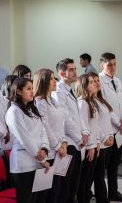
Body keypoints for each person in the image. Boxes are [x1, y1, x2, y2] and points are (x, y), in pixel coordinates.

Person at [5, 77, 50, 203]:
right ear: (18, 91)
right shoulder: (14, 111)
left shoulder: (31, 108)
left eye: (32, 88)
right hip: (23, 163)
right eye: (28, 89)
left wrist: (45, 148)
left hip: (37, 159)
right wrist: (42, 158)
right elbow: (25, 138)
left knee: (36, 199)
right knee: (26, 199)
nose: (32, 92)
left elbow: (42, 130)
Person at [51, 58, 88, 203]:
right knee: (65, 186)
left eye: (75, 69)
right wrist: (79, 138)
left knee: (74, 184)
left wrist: (85, 132)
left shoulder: (70, 90)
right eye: (71, 70)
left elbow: (78, 115)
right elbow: (65, 119)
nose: (75, 72)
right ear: (61, 73)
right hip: (68, 144)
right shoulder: (59, 91)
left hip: (76, 142)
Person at [98, 52, 122, 202]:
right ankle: (100, 195)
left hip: (120, 130)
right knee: (102, 167)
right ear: (102, 65)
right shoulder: (98, 80)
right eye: (109, 64)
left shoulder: (117, 80)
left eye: (114, 64)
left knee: (114, 164)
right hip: (108, 129)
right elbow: (105, 104)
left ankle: (113, 192)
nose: (112, 67)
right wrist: (118, 122)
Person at [34, 68, 67, 203]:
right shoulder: (40, 101)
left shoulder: (53, 99)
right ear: (44, 81)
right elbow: (45, 127)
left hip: (60, 149)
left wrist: (64, 142)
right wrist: (58, 146)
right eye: (52, 79)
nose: (55, 81)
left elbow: (61, 123)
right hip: (50, 151)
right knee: (47, 192)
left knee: (57, 189)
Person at [75, 74, 101, 203]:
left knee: (89, 178)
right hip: (87, 147)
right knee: (84, 180)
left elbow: (95, 126)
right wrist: (91, 147)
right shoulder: (82, 102)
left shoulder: (91, 101)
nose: (95, 84)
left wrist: (97, 143)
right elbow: (84, 127)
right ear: (84, 86)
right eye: (91, 82)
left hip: (93, 145)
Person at [89, 72, 115, 203]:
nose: (96, 83)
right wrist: (105, 137)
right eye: (93, 81)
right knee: (98, 174)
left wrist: (111, 135)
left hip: (107, 141)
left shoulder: (101, 99)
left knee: (100, 173)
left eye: (97, 80)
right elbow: (95, 124)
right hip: (100, 142)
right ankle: (102, 199)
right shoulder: (90, 101)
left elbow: (107, 120)